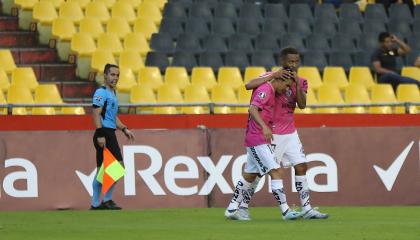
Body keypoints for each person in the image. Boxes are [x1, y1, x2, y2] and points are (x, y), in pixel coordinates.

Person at [242, 47, 329, 220]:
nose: (294, 64)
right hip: (271, 134)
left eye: (296, 61)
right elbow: (248, 85)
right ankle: (242, 206)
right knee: (257, 173)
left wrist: (296, 83)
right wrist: (273, 75)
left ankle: (307, 208)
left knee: (302, 165)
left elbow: (302, 105)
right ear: (283, 61)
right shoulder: (270, 76)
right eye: (290, 61)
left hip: (290, 133)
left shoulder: (301, 81)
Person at [224, 71, 302, 221]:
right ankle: (286, 211)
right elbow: (252, 108)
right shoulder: (266, 90)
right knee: (275, 170)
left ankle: (232, 209)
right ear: (278, 80)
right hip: (257, 138)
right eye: (286, 86)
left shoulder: (271, 91)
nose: (286, 90)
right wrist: (264, 127)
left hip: (257, 139)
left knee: (250, 175)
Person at [90, 63, 135, 210]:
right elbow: (96, 113)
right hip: (105, 133)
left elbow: (112, 117)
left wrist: (124, 129)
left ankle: (96, 204)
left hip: (109, 132)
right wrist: (100, 134)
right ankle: (106, 200)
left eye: (117, 75)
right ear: (105, 75)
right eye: (112, 74)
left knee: (102, 170)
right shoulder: (101, 92)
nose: (115, 78)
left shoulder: (112, 93)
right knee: (118, 167)